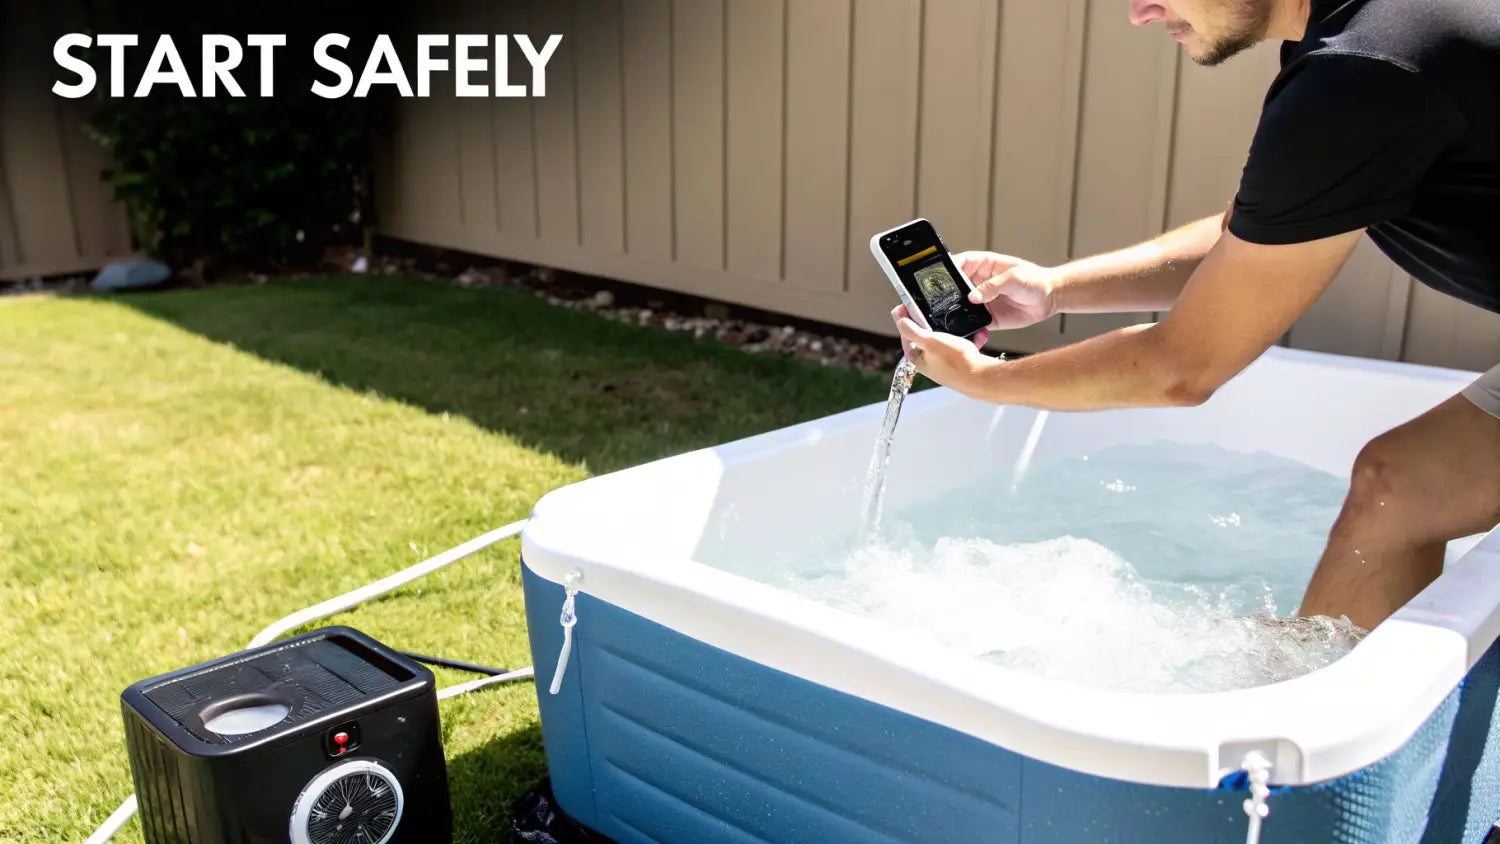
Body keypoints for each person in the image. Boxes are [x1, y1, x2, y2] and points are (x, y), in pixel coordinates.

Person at [891, 0, 1500, 634]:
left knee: (1402, 485)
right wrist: (1055, 288)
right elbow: (1259, 239)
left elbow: (1182, 368)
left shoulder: (1362, 75)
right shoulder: (1368, 33)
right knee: (1400, 489)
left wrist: (986, 380)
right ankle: (1320, 718)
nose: (1142, 11)